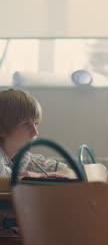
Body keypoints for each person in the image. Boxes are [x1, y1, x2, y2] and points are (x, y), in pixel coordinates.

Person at [0, 88, 72, 240]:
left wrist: (40, 176)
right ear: (2, 129)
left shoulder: (25, 158)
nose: (35, 132)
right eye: (26, 124)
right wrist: (31, 180)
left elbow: (69, 172)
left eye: (36, 124)